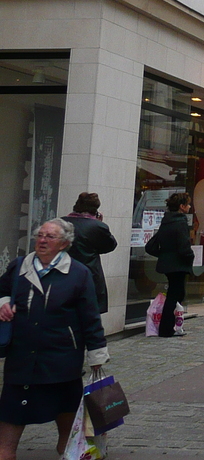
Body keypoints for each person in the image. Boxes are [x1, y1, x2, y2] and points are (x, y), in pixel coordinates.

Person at [0, 219, 108, 460]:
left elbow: (90, 317)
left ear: (64, 244)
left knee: (66, 410)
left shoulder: (78, 273)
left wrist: (97, 354)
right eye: (40, 235)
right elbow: (2, 289)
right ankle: (6, 453)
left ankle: (67, 450)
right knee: (11, 411)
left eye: (50, 236)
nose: (42, 240)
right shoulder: (19, 266)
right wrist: (3, 303)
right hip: (22, 355)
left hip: (61, 358)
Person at [62, 192, 118, 314]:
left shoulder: (60, 223)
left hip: (62, 273)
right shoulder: (97, 226)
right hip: (89, 273)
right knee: (88, 315)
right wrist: (100, 223)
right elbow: (110, 245)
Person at [147, 192, 194, 336]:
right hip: (178, 265)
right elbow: (183, 246)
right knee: (175, 295)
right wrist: (190, 256)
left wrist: (165, 255)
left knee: (177, 293)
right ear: (182, 206)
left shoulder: (166, 221)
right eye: (188, 204)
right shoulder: (180, 222)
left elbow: (151, 246)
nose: (190, 206)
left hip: (169, 265)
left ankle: (173, 325)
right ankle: (167, 329)